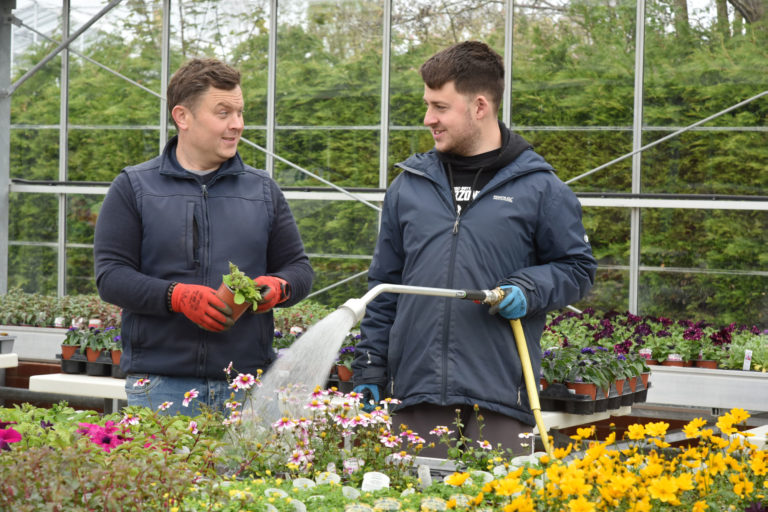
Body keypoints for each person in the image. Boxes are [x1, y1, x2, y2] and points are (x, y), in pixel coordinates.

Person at [351, 41, 596, 456]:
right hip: (417, 394)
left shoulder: (539, 188)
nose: (429, 118)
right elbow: (386, 284)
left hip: (500, 395)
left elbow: (577, 268)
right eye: (428, 105)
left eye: (440, 107)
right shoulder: (409, 186)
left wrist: (529, 289)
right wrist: (371, 363)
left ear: (480, 106)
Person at [94, 58, 313, 416]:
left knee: (248, 475)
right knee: (164, 475)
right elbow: (111, 277)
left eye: (240, 112)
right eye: (223, 112)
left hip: (247, 387)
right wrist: (176, 296)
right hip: (161, 386)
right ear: (183, 116)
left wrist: (278, 287)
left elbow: (298, 268)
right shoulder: (134, 187)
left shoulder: (262, 190)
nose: (237, 124)